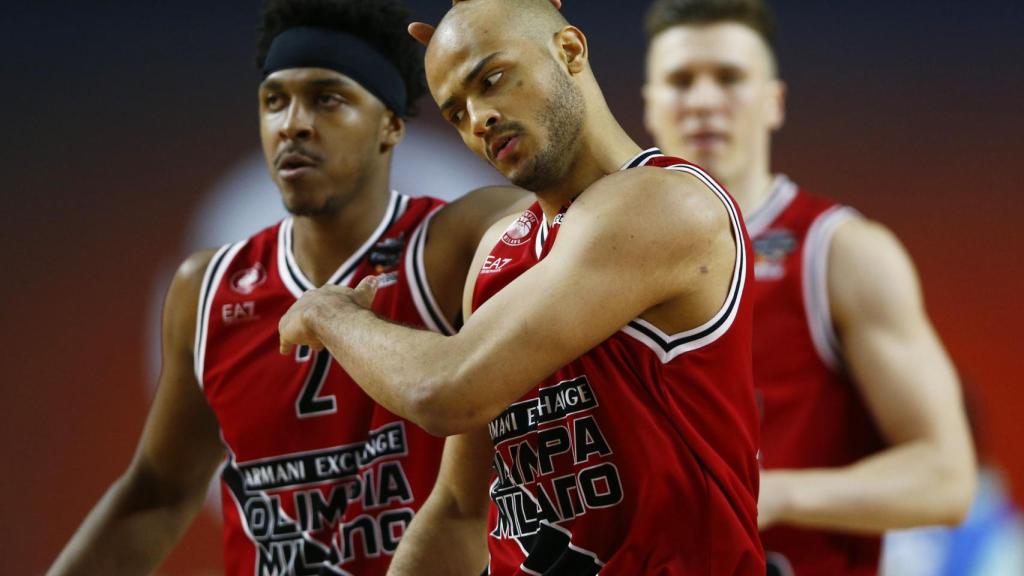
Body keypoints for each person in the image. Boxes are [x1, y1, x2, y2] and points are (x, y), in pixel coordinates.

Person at [279, 0, 763, 573]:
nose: (479, 118)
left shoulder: (665, 202)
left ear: (570, 51)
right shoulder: (498, 252)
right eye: (455, 111)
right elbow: (459, 508)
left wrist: (330, 314)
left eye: (492, 78)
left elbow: (446, 390)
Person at [48, 0, 526, 574]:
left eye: (327, 98)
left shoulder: (455, 243)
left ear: (390, 125)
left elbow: (584, 212)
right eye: (274, 100)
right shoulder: (206, 289)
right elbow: (158, 493)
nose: (292, 123)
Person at [641, 0, 976, 573]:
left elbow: (945, 477)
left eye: (728, 77)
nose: (701, 100)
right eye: (680, 81)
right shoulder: (603, 257)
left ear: (773, 102)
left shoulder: (840, 252)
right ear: (649, 105)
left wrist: (775, 494)